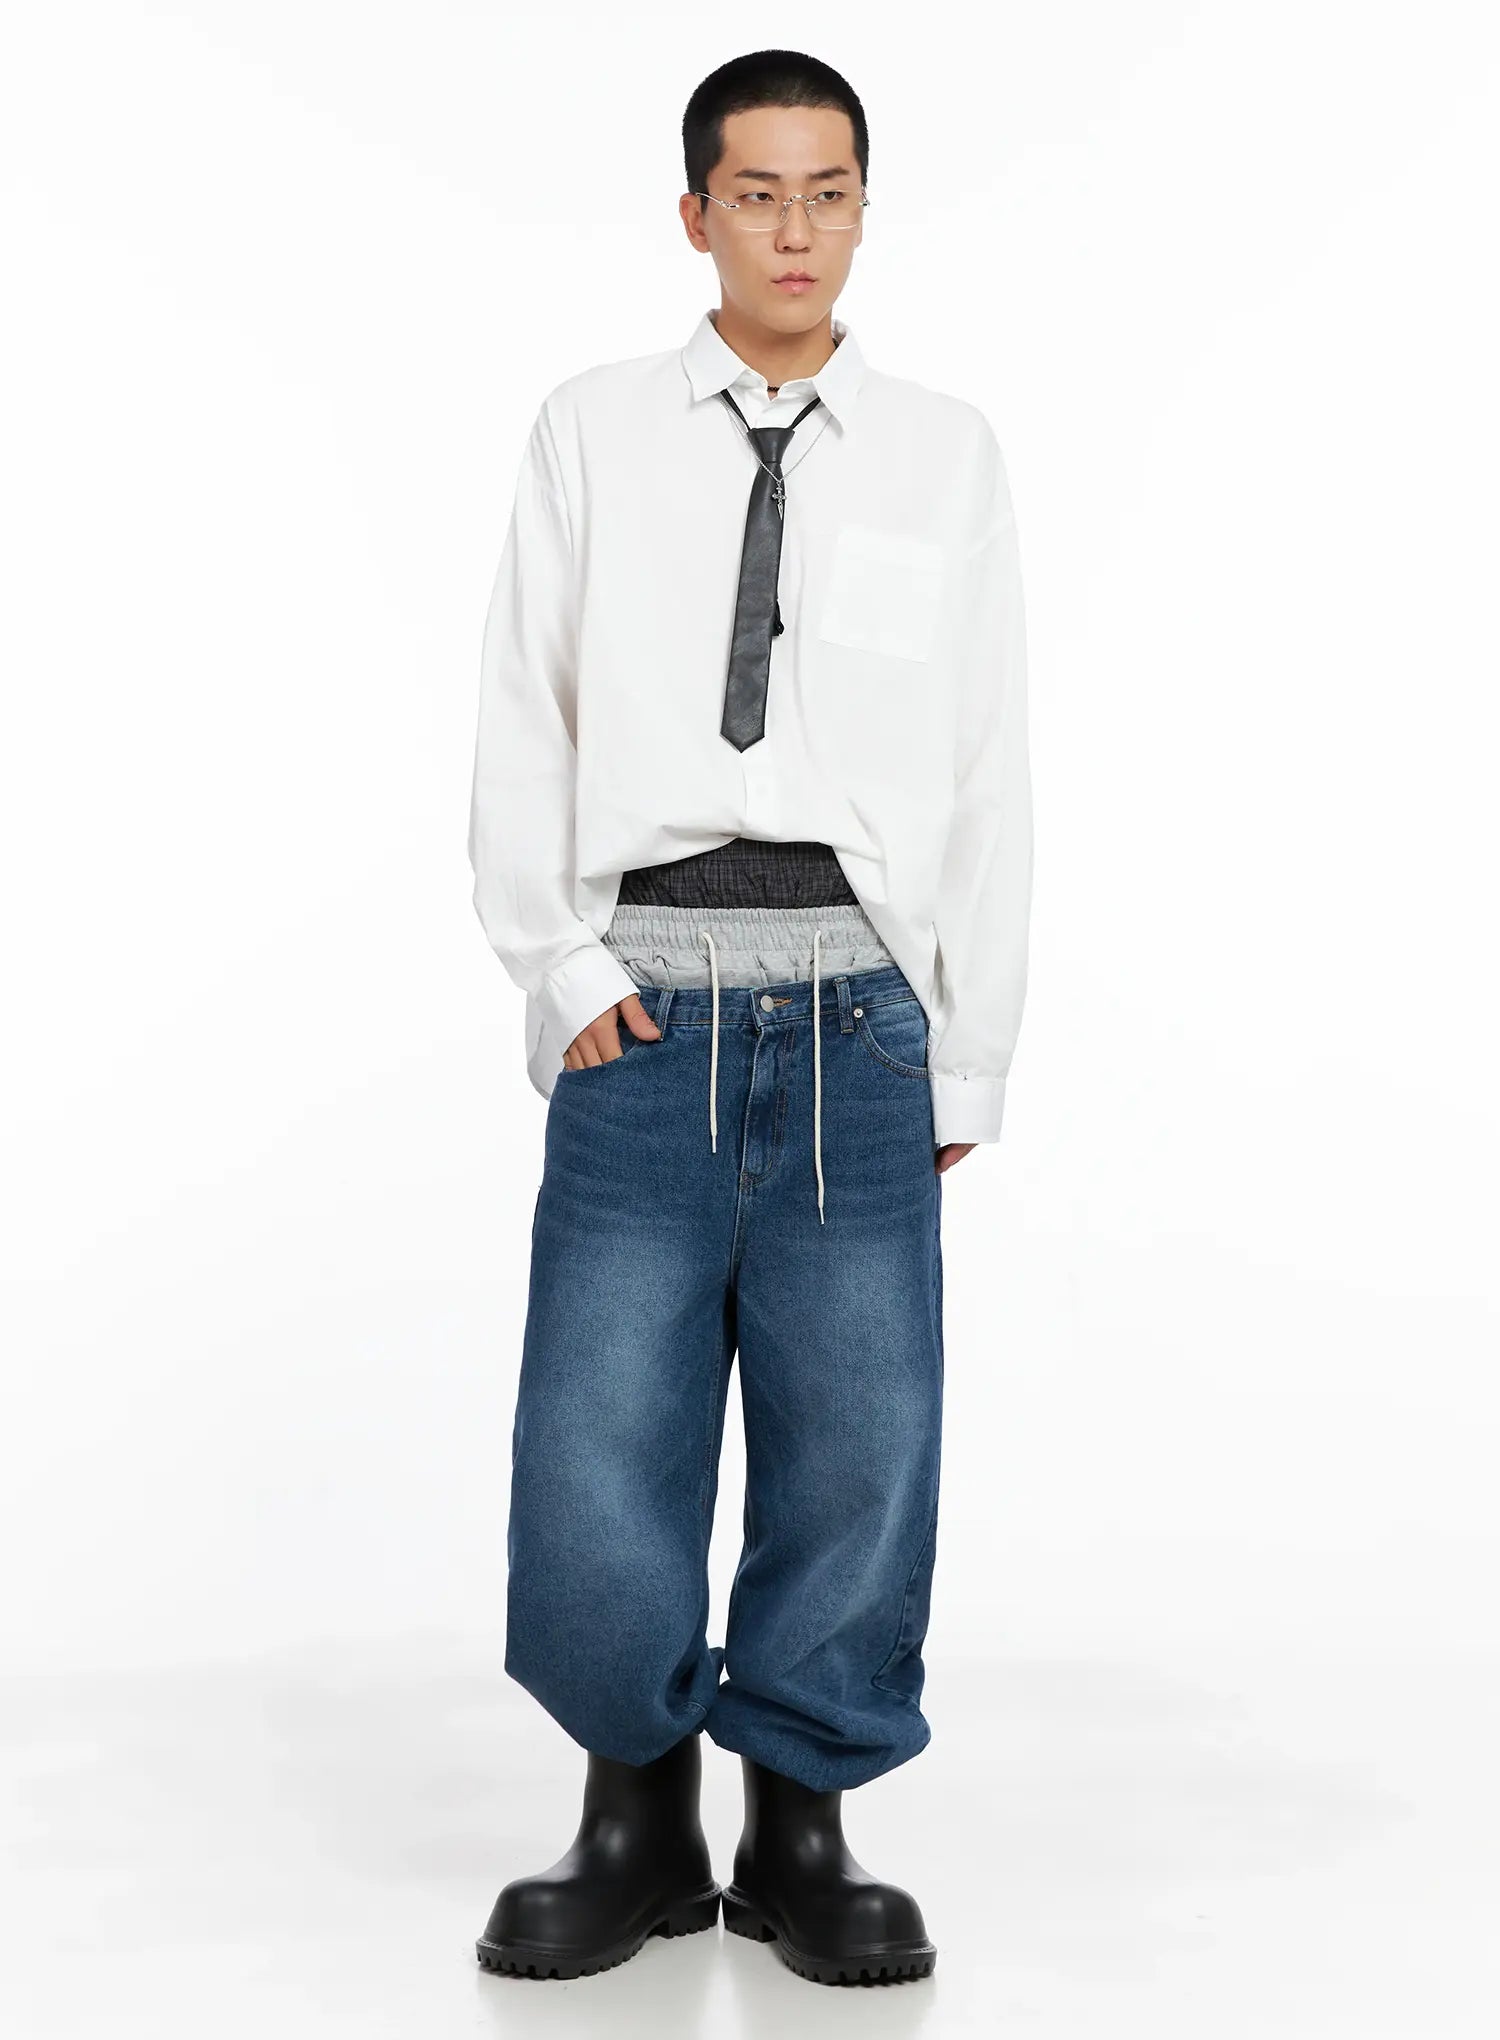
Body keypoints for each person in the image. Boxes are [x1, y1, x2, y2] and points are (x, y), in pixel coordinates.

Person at [466, 48, 1032, 1988]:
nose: (797, 230)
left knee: (858, 1431)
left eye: (831, 192)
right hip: (647, 1008)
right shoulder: (592, 433)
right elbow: (524, 706)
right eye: (760, 193)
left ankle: (803, 1826)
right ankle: (635, 1818)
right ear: (697, 212)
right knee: (598, 1425)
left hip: (859, 1017)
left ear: (866, 209)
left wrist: (968, 1041)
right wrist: (563, 970)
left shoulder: (944, 455)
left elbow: (986, 761)